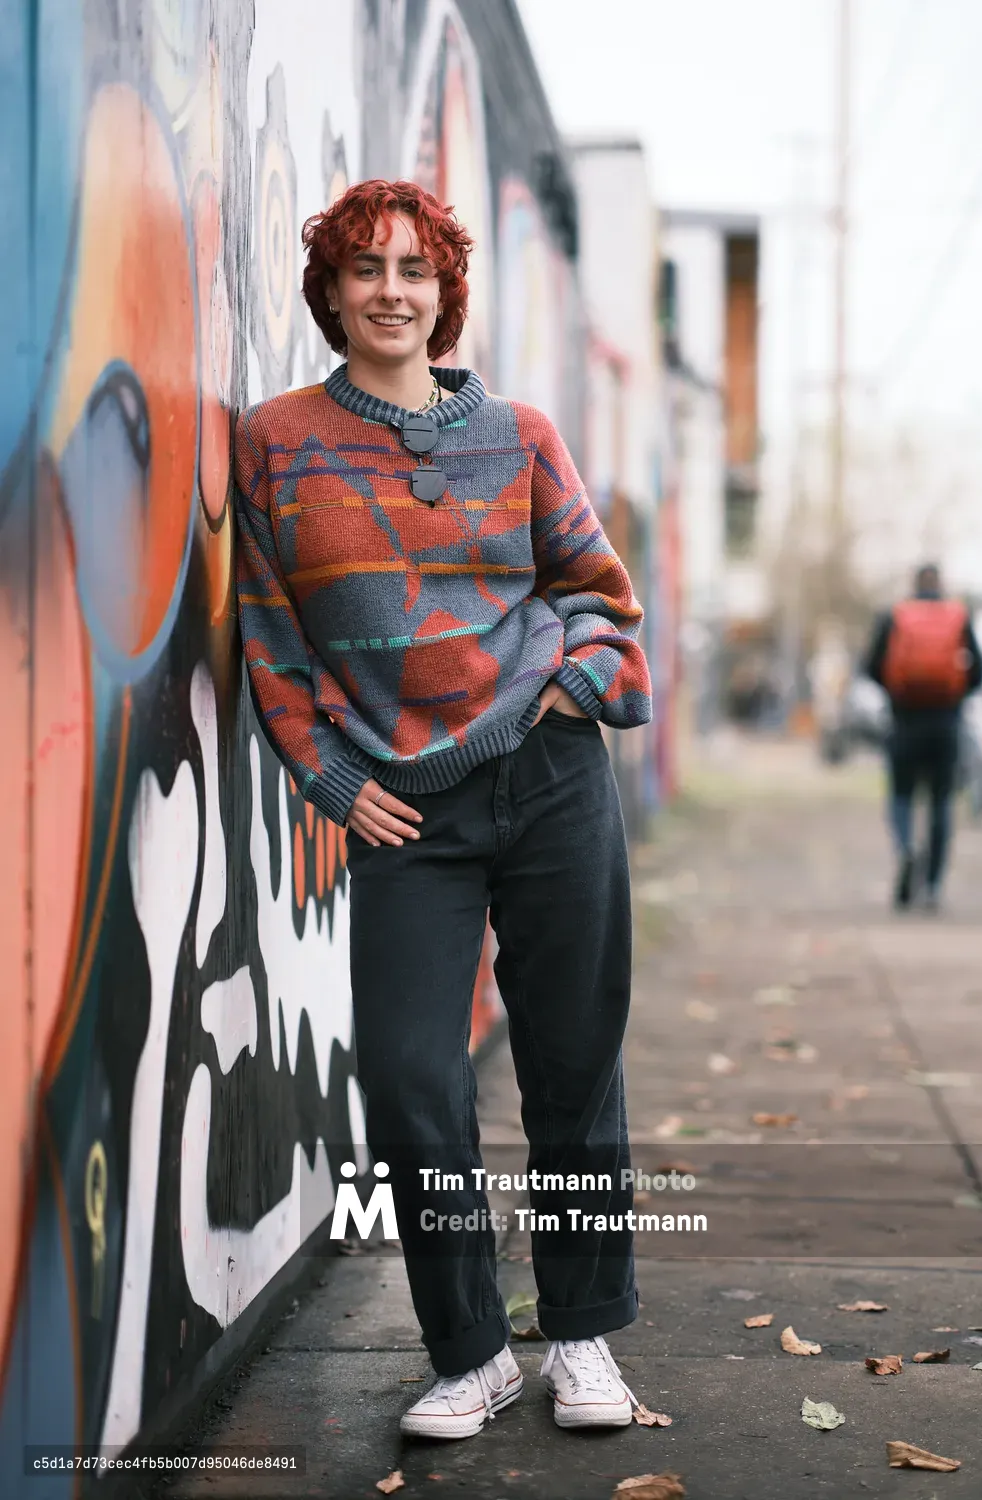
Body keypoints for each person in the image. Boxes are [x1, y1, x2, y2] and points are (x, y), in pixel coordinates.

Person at [233, 180, 652, 1441]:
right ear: (331, 293)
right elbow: (267, 637)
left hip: (550, 779)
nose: (392, 291)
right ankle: (471, 1353)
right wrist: (335, 780)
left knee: (572, 1070)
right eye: (365, 269)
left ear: (444, 291)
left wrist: (576, 690)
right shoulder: (273, 443)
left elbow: (602, 594)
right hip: (406, 812)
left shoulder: (518, 433)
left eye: (414, 269)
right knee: (415, 1076)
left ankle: (581, 1341)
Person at [864, 564, 982, 910]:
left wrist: (896, 693)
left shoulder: (894, 617)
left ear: (914, 584)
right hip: (945, 723)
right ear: (940, 584)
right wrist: (955, 695)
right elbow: (979, 671)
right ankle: (932, 885)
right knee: (940, 802)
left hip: (904, 721)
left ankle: (905, 852)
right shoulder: (959, 617)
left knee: (901, 796)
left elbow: (871, 666)